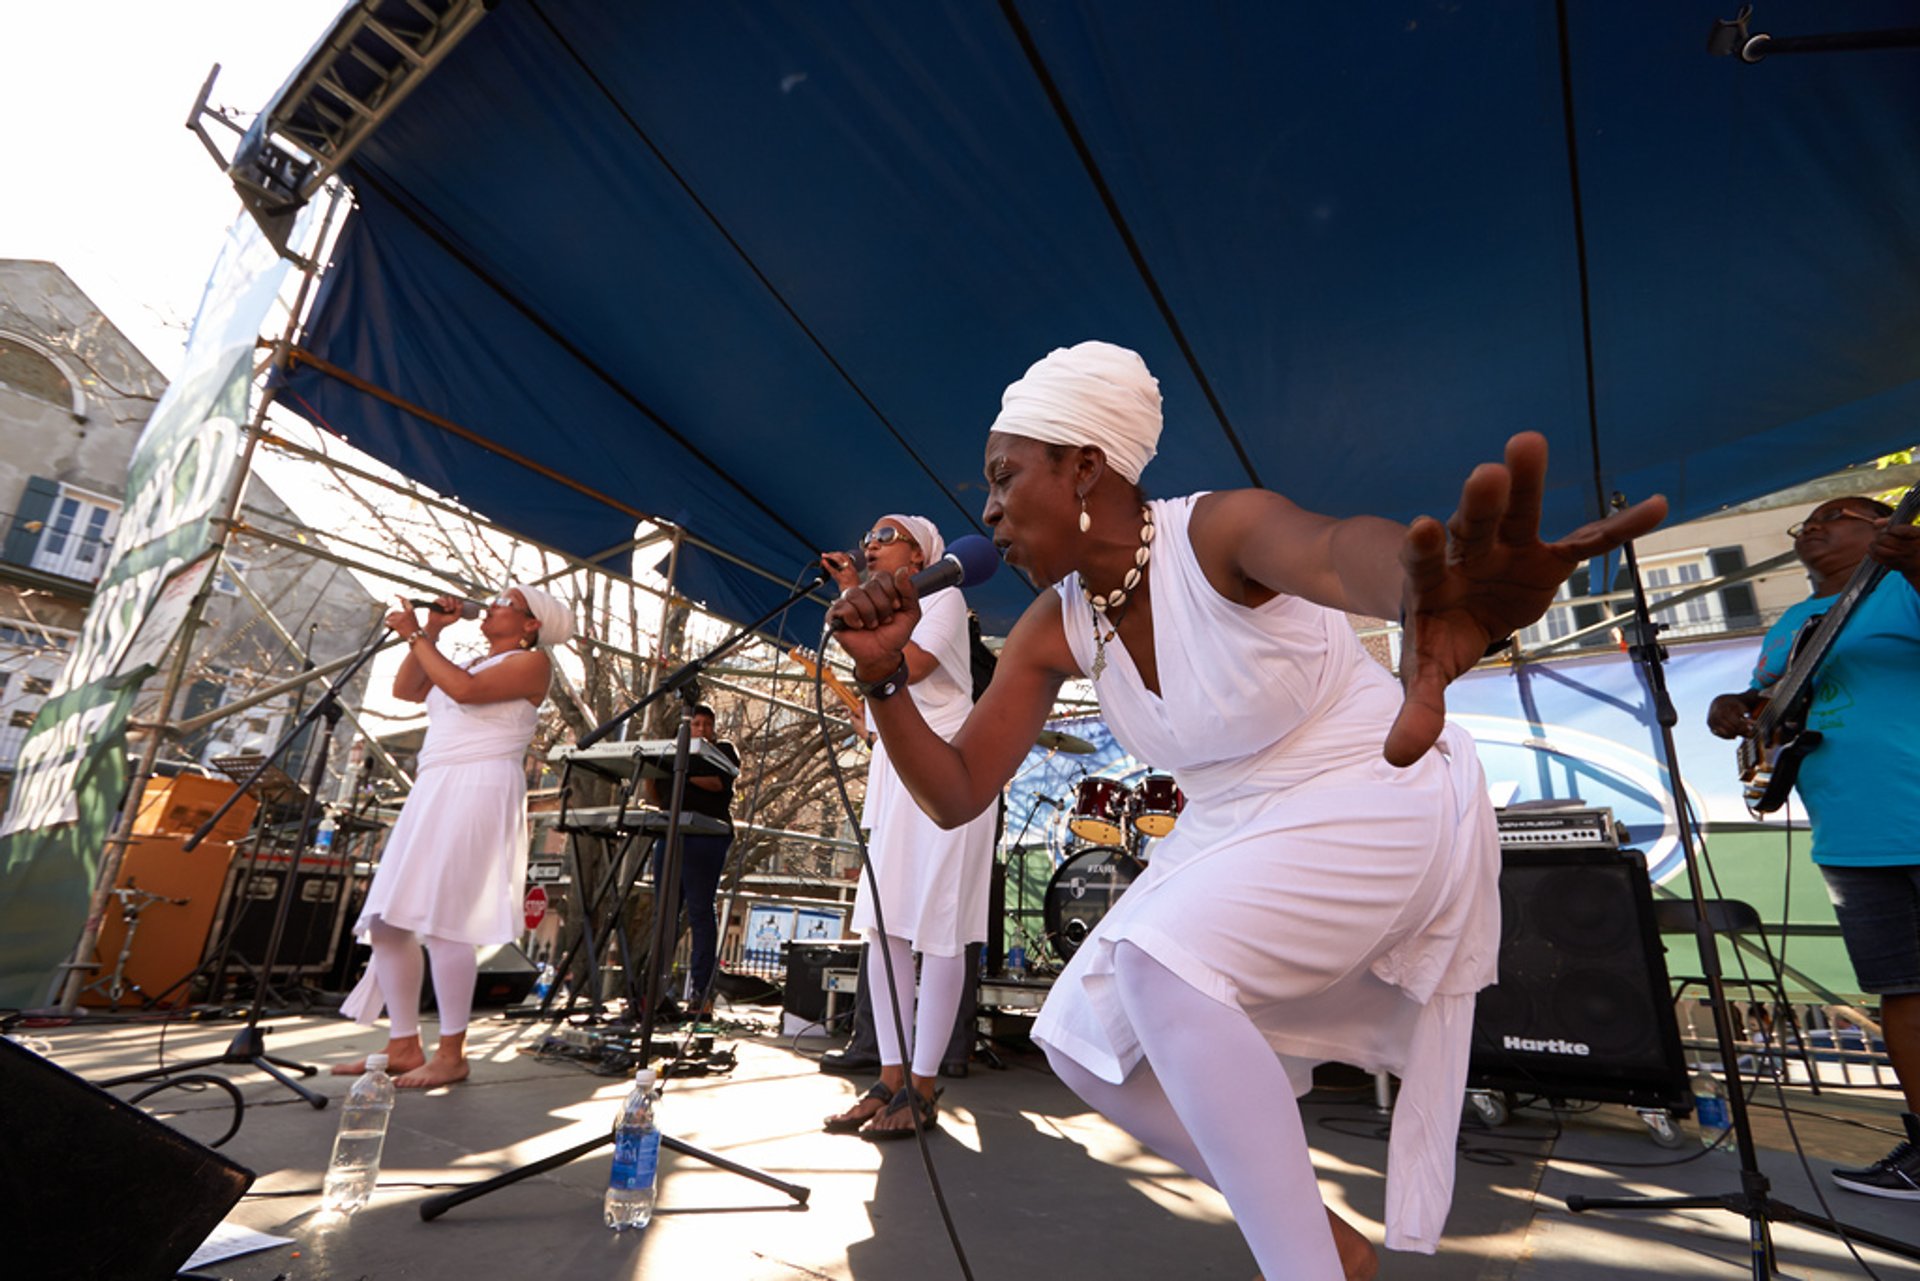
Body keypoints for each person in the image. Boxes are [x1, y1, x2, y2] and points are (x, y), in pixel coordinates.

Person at [826, 342, 1664, 1278]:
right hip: (1232, 822)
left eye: (1002, 476)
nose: (986, 512)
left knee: (1153, 967)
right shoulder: (1055, 623)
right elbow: (954, 791)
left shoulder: (1216, 532)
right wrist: (882, 679)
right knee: (1084, 1042)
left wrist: (1427, 592)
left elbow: (1340, 551)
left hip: (1369, 783)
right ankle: (1322, 1240)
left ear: (1086, 468)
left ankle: (1300, 1267)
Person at [1705, 494, 1920, 1198]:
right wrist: (1736, 706)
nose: (1815, 527)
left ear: (1884, 527)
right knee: (1901, 989)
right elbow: (1774, 701)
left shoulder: (1904, 585)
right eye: (1808, 522)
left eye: (1837, 515)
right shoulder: (1793, 620)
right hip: (1852, 835)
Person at [335, 584, 573, 1088]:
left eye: (506, 603)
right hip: (435, 785)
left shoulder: (533, 665)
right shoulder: (470, 663)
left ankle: (452, 1051)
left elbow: (462, 692)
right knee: (388, 922)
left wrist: (420, 634)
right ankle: (402, 1044)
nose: (490, 606)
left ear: (532, 625)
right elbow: (408, 690)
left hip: (480, 783)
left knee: (447, 921)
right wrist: (434, 633)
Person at [819, 516, 999, 1139]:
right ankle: (889, 1079)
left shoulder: (942, 594)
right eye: (867, 534)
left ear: (922, 551)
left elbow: (912, 665)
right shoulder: (872, 603)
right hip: (897, 770)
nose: (870, 540)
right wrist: (849, 595)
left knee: (940, 926)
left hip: (951, 763)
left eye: (887, 533)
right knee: (884, 924)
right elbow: (874, 698)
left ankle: (923, 1087)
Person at [643, 703, 740, 1015]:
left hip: (706, 836)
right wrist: (651, 774)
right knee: (664, 912)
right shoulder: (673, 752)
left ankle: (702, 992)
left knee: (699, 910)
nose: (701, 729)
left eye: (706, 724)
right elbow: (657, 796)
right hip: (672, 833)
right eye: (695, 724)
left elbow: (718, 784)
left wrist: (677, 775)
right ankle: (655, 992)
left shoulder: (722, 750)